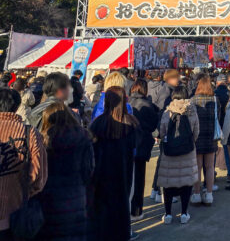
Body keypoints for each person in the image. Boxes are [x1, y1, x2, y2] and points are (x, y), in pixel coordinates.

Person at [36, 102, 94, 241]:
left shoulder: (42, 139)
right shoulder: (83, 136)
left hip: (48, 198)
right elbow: (89, 169)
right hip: (76, 195)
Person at [89, 86, 140, 241]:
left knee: (102, 210)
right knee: (122, 207)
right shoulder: (131, 123)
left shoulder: (98, 123)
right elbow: (135, 146)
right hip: (123, 172)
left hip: (101, 173)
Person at [0, 88, 47, 239]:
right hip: (15, 214)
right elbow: (38, 177)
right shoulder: (29, 133)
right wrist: (23, 192)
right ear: (17, 106)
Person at [157, 86, 200, 224]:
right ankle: (184, 213)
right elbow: (196, 131)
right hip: (187, 152)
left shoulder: (167, 112)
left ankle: (168, 214)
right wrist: (189, 142)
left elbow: (162, 132)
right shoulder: (192, 111)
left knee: (168, 184)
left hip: (169, 153)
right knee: (186, 184)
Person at [129, 79, 158, 221]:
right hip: (142, 145)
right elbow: (153, 125)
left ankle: (128, 209)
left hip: (127, 144)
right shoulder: (148, 105)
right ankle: (136, 211)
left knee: (128, 179)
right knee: (139, 179)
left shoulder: (126, 102)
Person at [150, 69, 180, 203]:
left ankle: (155, 190)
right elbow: (162, 112)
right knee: (166, 162)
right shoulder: (167, 92)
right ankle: (162, 192)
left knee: (162, 161)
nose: (178, 80)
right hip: (166, 130)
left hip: (162, 129)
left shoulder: (166, 89)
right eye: (176, 78)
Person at [190, 74, 218, 206]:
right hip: (211, 136)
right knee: (210, 167)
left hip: (196, 137)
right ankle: (209, 194)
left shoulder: (192, 101)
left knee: (197, 167)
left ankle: (196, 194)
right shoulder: (215, 100)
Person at [214, 73, 230, 181]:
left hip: (217, 124)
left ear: (217, 82)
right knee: (227, 148)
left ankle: (213, 172)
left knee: (214, 149)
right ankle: (229, 172)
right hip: (228, 123)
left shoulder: (214, 93)